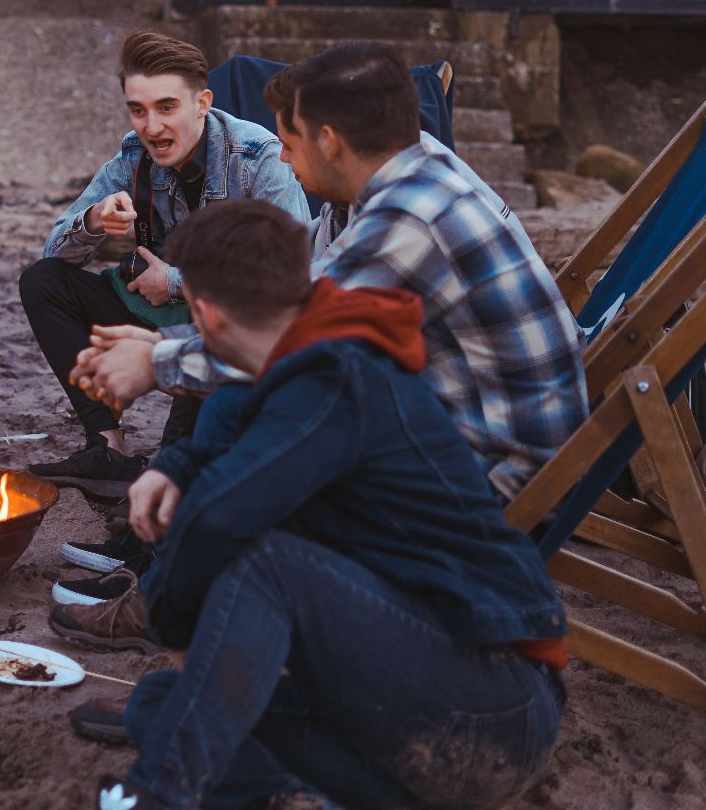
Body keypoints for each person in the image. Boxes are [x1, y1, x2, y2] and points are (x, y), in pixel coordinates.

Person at [54, 201, 566, 809]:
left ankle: (156, 796)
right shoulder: (291, 357)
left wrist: (174, 628)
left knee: (265, 565)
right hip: (406, 712)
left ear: (205, 314)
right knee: (160, 706)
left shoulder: (338, 374)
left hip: (492, 708)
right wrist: (171, 466)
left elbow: (219, 519)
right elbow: (224, 425)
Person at [73, 40, 586, 502]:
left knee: (263, 428)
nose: (285, 162)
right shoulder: (396, 172)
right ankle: (156, 561)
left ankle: (165, 573)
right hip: (448, 416)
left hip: (499, 470)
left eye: (289, 147)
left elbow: (295, 337)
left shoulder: (411, 217)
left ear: (330, 142)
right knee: (237, 404)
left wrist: (155, 362)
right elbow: (297, 296)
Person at [18, 29, 309, 499]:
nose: (150, 127)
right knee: (44, 282)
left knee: (176, 460)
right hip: (157, 311)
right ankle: (107, 447)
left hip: (230, 325)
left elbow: (294, 273)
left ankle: (166, 491)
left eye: (166, 108)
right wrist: (94, 220)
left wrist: (174, 281)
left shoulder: (258, 157)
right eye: (138, 110)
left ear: (202, 102)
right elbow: (56, 249)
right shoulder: (133, 156)